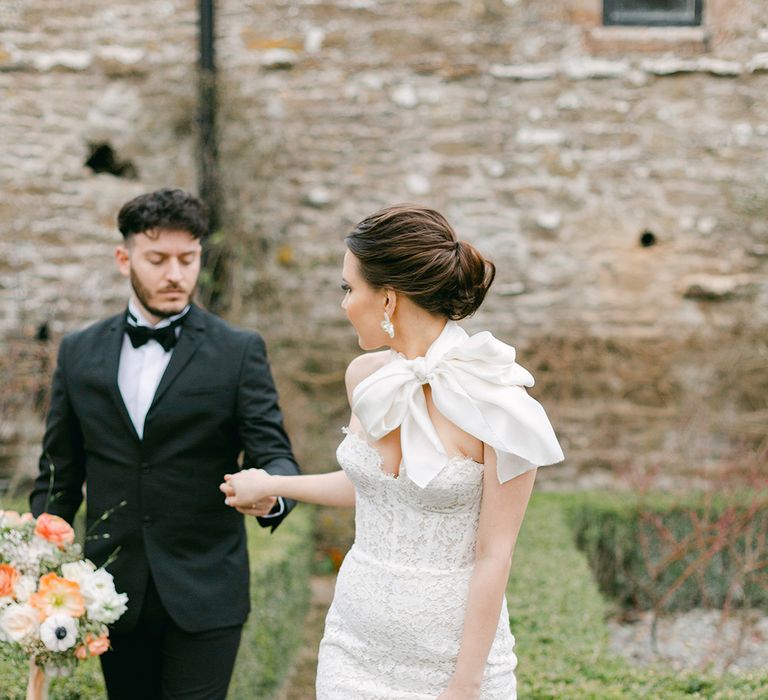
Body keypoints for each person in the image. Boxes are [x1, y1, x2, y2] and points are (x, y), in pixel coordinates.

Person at [221, 204, 564, 699]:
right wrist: (274, 484)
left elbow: (496, 554)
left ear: (386, 299)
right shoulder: (364, 378)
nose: (343, 304)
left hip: (450, 663)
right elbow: (376, 488)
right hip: (352, 649)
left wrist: (465, 684)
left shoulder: (501, 404)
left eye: (348, 288)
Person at [29, 188, 302, 700]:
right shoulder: (78, 352)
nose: (176, 274)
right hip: (110, 591)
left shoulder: (238, 351)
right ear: (124, 257)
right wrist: (39, 570)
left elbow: (272, 451)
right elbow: (59, 474)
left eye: (188, 259)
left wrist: (274, 493)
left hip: (207, 590)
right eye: (158, 260)